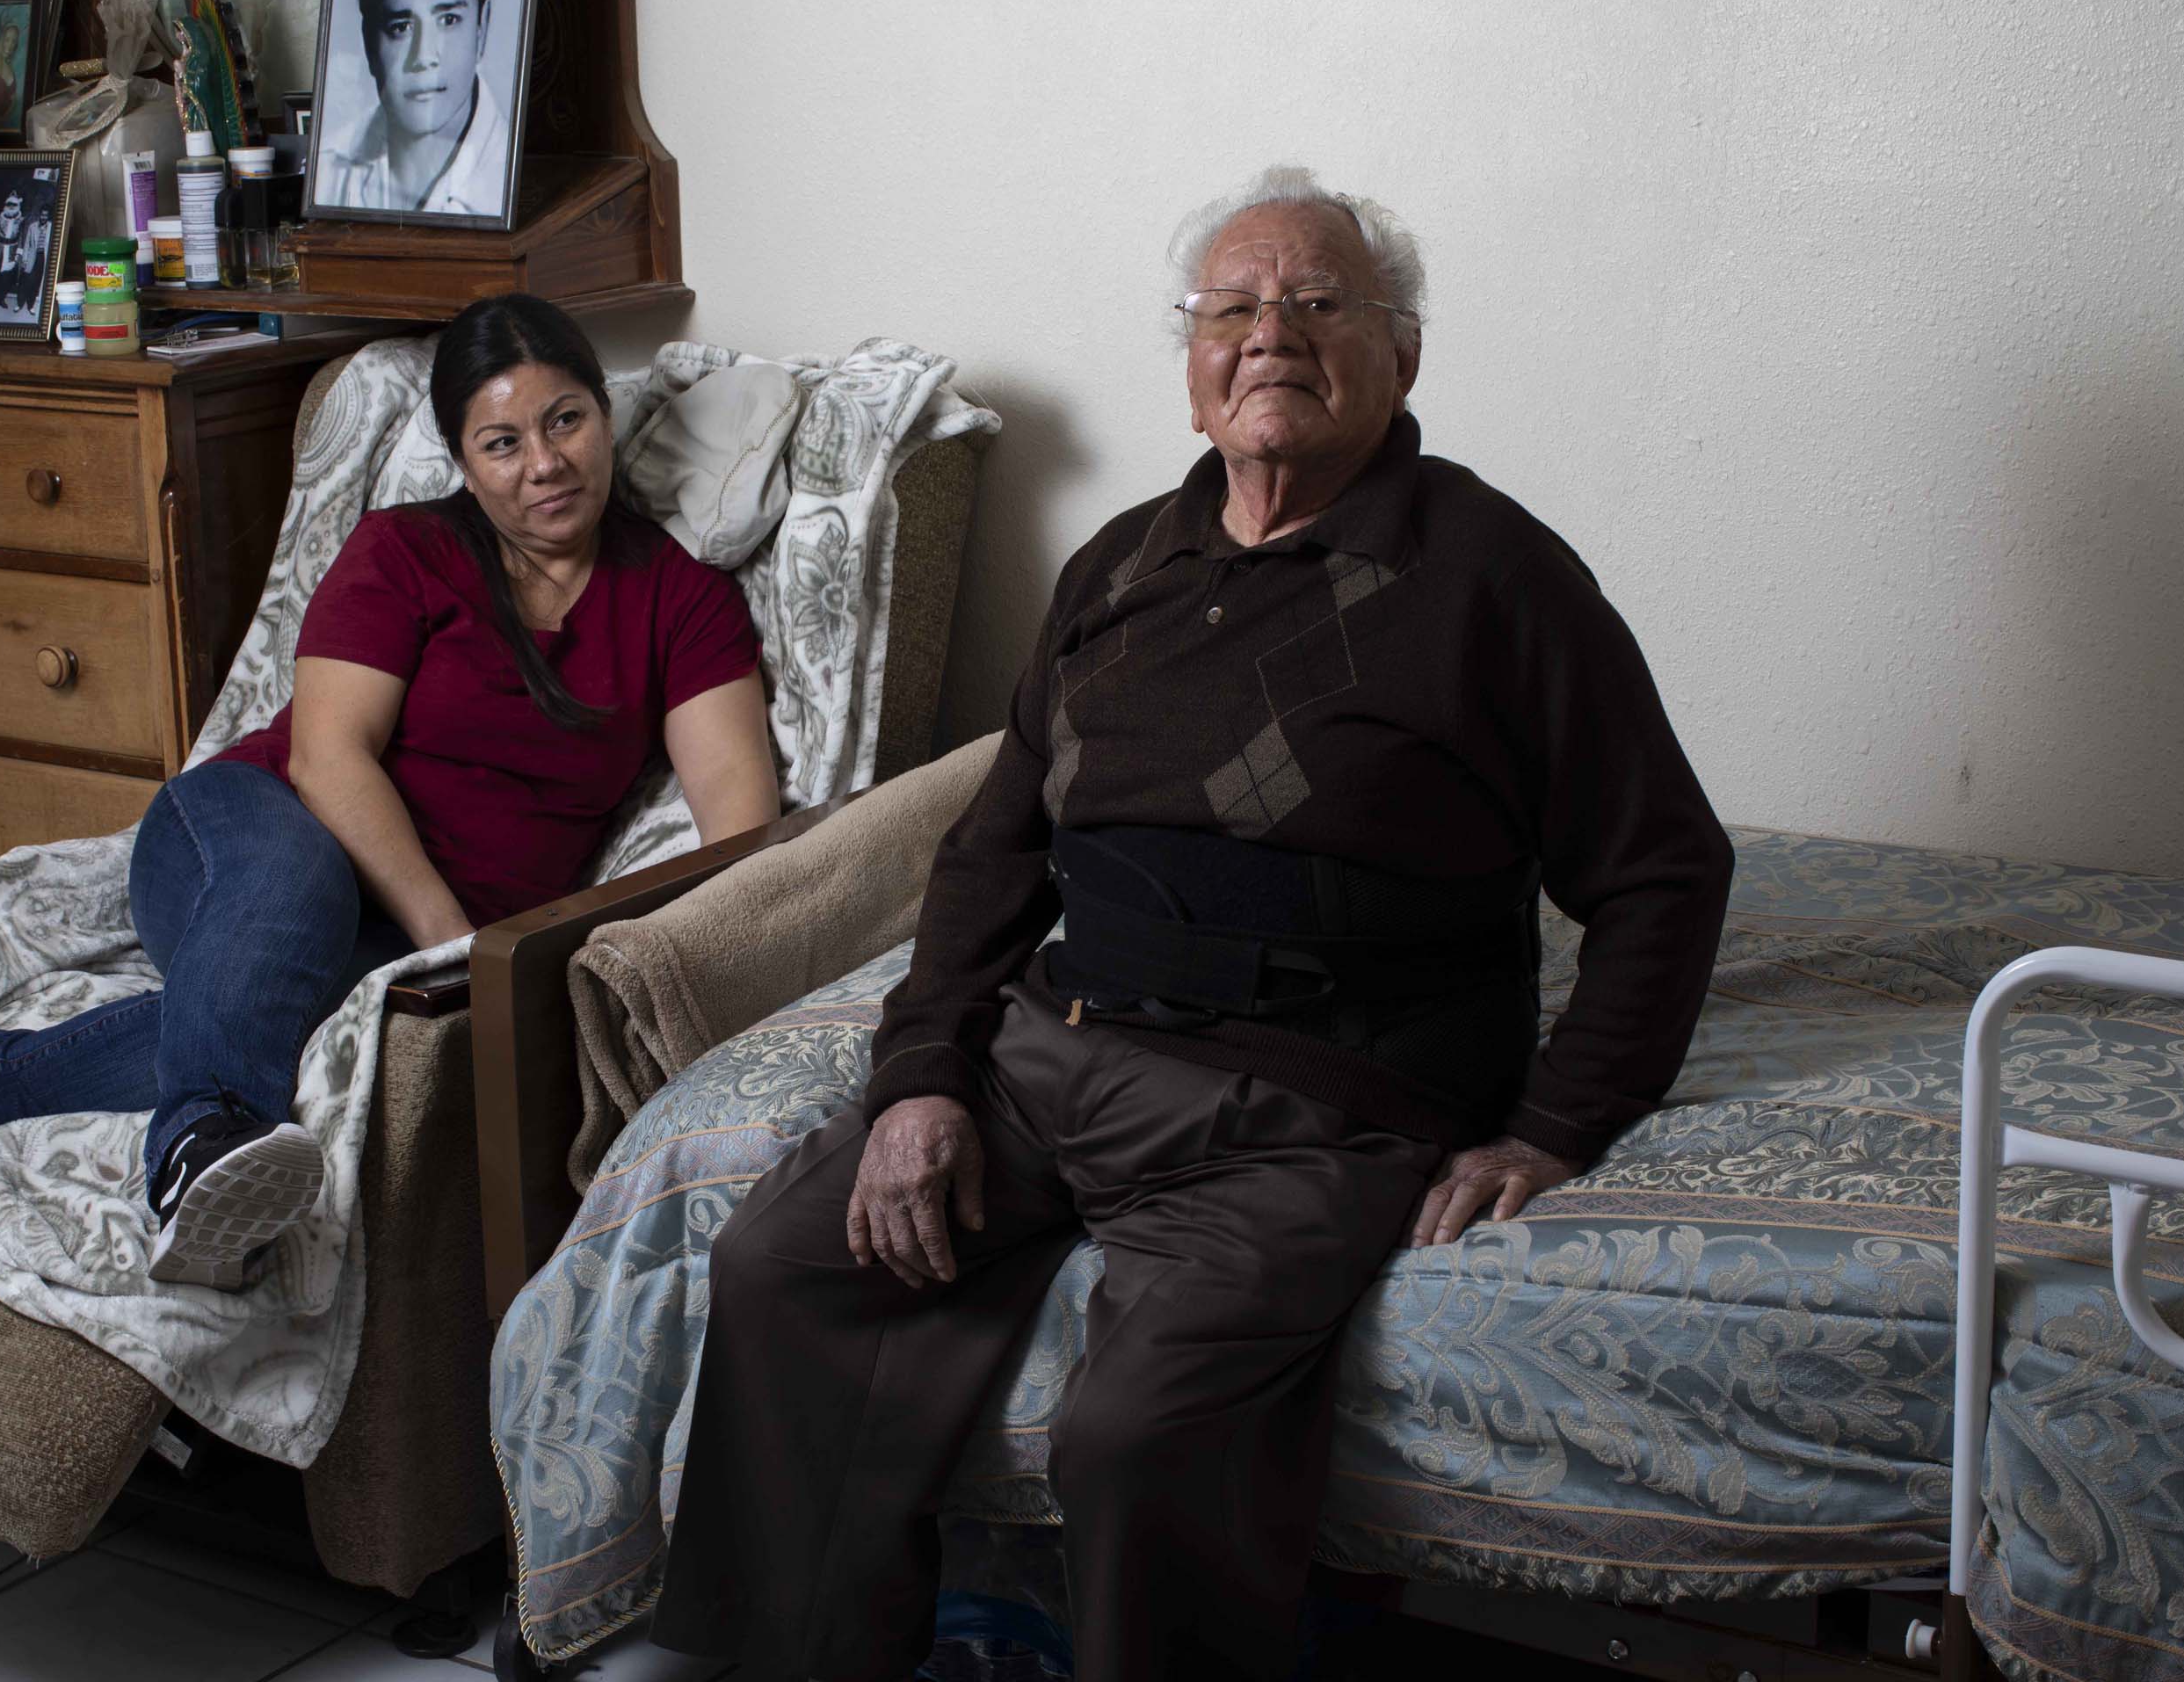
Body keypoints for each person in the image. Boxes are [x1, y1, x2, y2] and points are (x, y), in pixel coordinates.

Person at [649, 167, 1737, 1680]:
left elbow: (1668, 871)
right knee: (787, 1269)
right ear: (1190, 365)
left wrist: (1557, 1123)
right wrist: (919, 1080)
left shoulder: (1496, 578)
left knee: (1141, 1431)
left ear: (1402, 353)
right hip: (1060, 1046)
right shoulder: (1122, 568)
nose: (1270, 334)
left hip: (1314, 1105)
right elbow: (992, 854)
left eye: (1317, 303)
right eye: (1233, 308)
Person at [0, 294, 780, 1288]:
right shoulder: (406, 552)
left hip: (393, 936)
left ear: (606, 414)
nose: (545, 463)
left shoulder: (680, 602)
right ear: (462, 462)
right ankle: (197, 1152)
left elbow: (738, 832)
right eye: (502, 441)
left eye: (566, 419)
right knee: (297, 892)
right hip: (242, 831)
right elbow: (326, 757)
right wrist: (453, 942)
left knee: (294, 1009)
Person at [316, 0, 508, 216]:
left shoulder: (508, 182)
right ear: (369, 44)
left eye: (448, 20)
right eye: (401, 28)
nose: (423, 57)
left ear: (482, 27)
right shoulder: (326, 172)